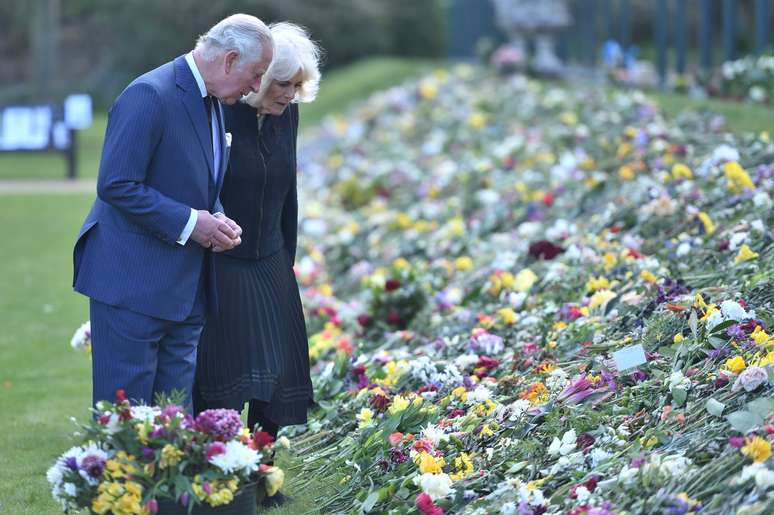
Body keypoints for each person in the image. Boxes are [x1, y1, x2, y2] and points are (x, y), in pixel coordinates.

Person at [73, 14, 274, 410]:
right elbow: (116, 183)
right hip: (132, 284)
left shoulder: (214, 98)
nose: (256, 87)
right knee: (127, 426)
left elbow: (197, 179)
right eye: (256, 74)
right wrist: (191, 223)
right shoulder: (149, 93)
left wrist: (215, 219)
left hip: (186, 291)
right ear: (230, 59)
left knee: (174, 426)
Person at [193, 22, 321, 443]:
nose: (290, 94)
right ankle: (224, 473)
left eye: (298, 86)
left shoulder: (289, 116)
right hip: (223, 260)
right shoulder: (222, 111)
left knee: (279, 370)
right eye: (283, 83)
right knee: (225, 371)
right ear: (259, 77)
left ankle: (263, 472)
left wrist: (287, 260)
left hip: (271, 257)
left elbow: (289, 191)